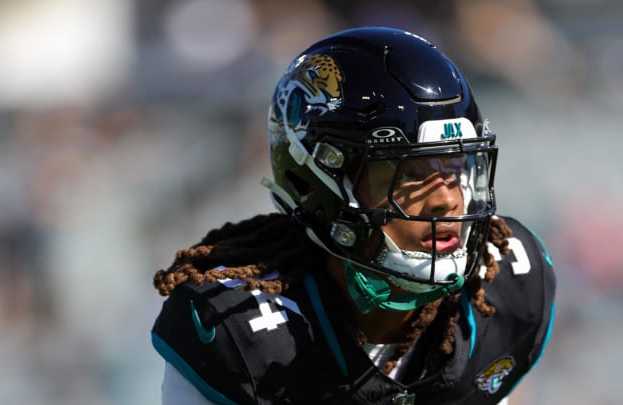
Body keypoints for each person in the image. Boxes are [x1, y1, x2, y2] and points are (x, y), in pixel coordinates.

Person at [151, 26, 556, 405]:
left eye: (454, 166)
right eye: (408, 174)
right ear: (315, 180)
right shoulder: (238, 329)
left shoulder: (508, 282)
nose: (447, 201)